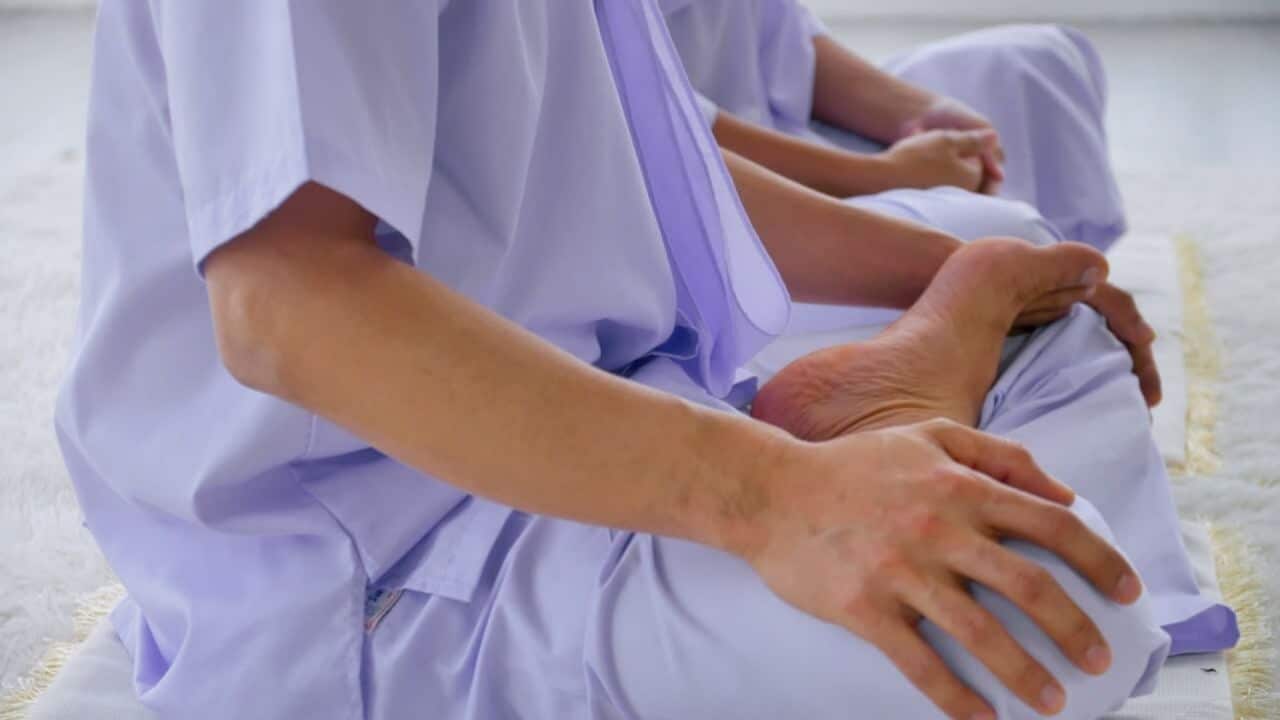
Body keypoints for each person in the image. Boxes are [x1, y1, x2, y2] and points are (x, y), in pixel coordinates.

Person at [57, 1, 1184, 718]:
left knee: (1039, 275)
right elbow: (287, 303)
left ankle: (898, 390)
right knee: (1066, 630)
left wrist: (957, 269)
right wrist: (776, 497)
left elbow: (653, 170)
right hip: (392, 576)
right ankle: (857, 432)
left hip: (610, 404)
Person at [660, 0, 1162, 406]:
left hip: (790, 140)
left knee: (1038, 64)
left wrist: (921, 115)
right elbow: (659, 145)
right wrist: (884, 176)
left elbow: (785, 40)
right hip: (717, 217)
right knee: (1014, 240)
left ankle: (1037, 321)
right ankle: (1028, 330)